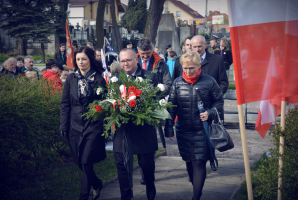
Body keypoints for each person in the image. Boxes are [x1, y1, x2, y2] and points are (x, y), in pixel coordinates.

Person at [164, 50, 224, 200]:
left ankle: (196, 196)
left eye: (191, 68)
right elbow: (171, 106)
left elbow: (219, 102)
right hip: (183, 130)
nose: (188, 71)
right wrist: (169, 127)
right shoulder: (177, 83)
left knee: (199, 162)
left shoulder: (209, 82)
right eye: (185, 68)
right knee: (189, 162)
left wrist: (209, 113)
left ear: (198, 66)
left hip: (202, 130)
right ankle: (196, 185)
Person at [60, 46, 107, 200]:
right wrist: (63, 124)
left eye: (84, 59)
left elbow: (105, 104)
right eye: (78, 59)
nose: (80, 62)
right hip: (74, 125)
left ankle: (83, 196)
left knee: (86, 161)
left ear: (90, 60)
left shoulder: (99, 79)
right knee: (79, 162)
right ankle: (97, 183)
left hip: (93, 125)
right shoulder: (71, 79)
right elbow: (65, 104)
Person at [113, 48, 159, 200]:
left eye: (128, 60)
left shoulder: (150, 77)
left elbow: (158, 101)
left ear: (136, 59)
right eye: (123, 61)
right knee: (122, 165)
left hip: (143, 130)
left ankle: (150, 186)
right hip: (123, 130)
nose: (125, 63)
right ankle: (126, 195)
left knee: (146, 165)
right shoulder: (115, 79)